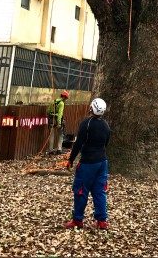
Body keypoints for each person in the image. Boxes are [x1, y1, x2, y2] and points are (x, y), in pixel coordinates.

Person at [63, 98, 110, 230]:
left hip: (88, 163)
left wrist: (71, 159)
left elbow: (78, 144)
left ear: (91, 108)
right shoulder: (106, 125)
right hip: (102, 162)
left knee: (80, 191)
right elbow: (106, 143)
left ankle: (77, 220)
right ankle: (102, 221)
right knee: (100, 191)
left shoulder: (86, 124)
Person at [47, 90, 69, 155]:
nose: (66, 100)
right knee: (60, 135)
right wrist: (59, 123)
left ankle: (50, 150)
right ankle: (59, 149)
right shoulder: (61, 103)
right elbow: (60, 114)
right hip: (57, 121)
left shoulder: (53, 101)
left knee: (51, 135)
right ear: (64, 97)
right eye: (66, 98)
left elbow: (48, 111)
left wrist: (51, 116)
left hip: (51, 120)